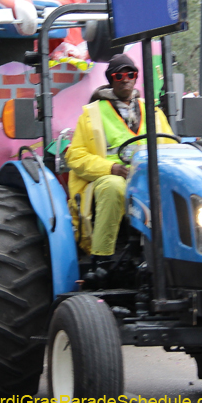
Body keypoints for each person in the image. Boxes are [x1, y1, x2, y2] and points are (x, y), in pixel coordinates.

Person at [65, 54, 173, 279]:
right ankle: (101, 259)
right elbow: (75, 156)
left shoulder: (153, 112)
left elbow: (171, 147)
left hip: (148, 175)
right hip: (109, 176)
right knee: (114, 187)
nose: (126, 79)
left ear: (136, 78)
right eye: (119, 75)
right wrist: (110, 168)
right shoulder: (91, 115)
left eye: (130, 74)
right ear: (111, 79)